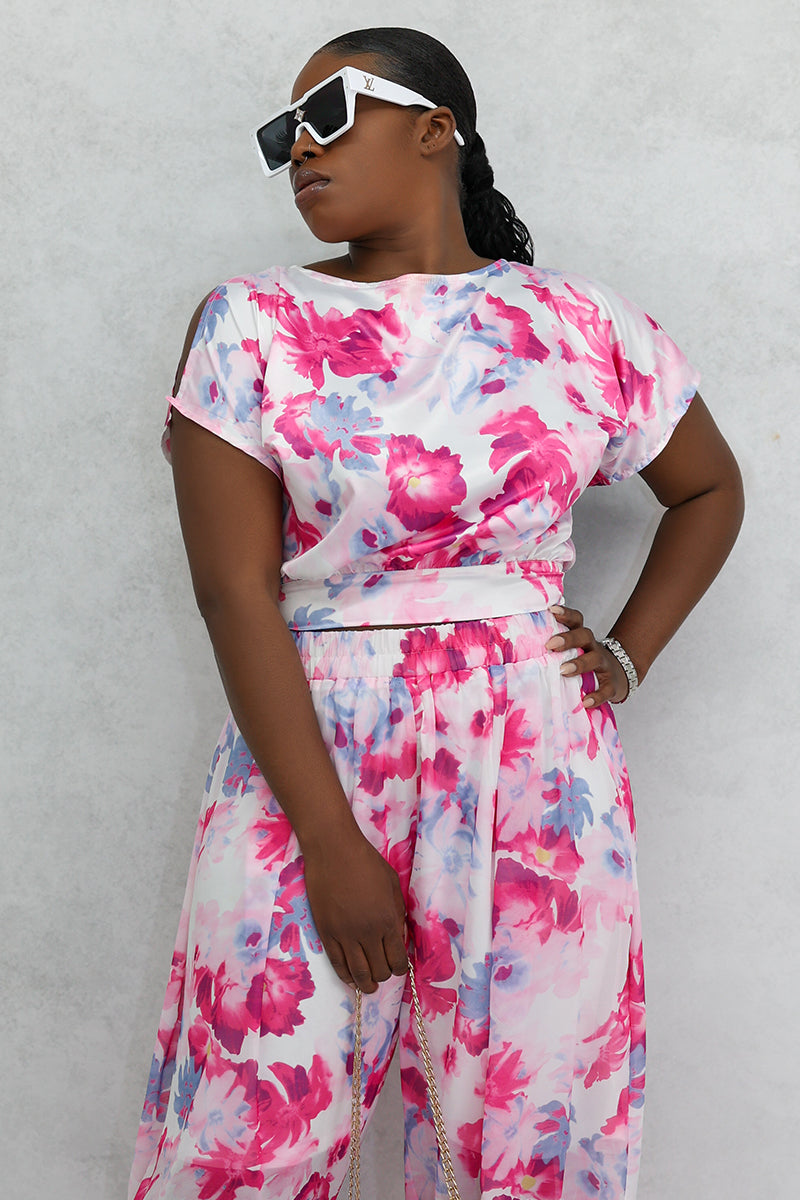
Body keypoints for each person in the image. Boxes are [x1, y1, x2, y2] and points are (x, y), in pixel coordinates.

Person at [128, 25, 744, 1200]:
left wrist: (623, 653)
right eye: (279, 136)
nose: (294, 152)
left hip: (536, 756)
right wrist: (326, 840)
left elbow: (708, 489)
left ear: (435, 127)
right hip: (307, 745)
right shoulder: (248, 324)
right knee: (248, 1126)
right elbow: (230, 590)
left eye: (325, 114)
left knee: (534, 1120)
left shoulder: (580, 322)